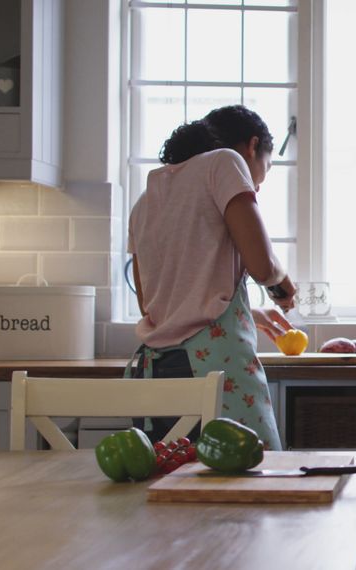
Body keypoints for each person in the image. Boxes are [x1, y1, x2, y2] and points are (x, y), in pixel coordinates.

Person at [125, 104, 295, 450]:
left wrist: (250, 313)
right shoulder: (224, 162)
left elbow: (151, 302)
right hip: (213, 366)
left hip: (156, 370)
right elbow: (262, 267)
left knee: (175, 493)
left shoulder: (147, 199)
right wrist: (283, 283)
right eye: (266, 167)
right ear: (252, 146)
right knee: (251, 488)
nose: (258, 186)